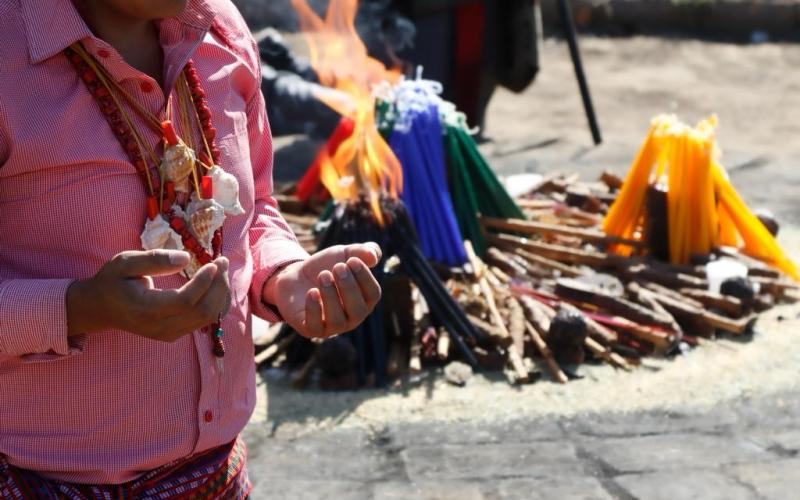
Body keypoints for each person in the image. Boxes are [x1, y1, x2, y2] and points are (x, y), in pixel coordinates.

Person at [0, 0, 382, 497]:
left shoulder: (218, 27)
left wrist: (284, 276)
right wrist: (81, 308)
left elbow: (255, 204)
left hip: (216, 475)